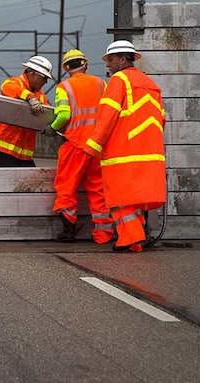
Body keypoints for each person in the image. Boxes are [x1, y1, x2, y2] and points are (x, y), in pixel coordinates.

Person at [84, 40, 166, 252]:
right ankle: (134, 240)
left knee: (120, 197)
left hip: (122, 153)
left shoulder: (119, 80)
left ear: (122, 60)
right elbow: (162, 119)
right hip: (149, 153)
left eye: (110, 60)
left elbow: (107, 117)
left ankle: (130, 236)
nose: (108, 65)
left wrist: (93, 146)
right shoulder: (150, 84)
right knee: (135, 198)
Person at [41, 49, 113, 243]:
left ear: (66, 68)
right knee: (98, 189)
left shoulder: (65, 87)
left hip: (75, 144)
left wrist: (52, 127)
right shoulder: (101, 84)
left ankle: (68, 231)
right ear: (85, 64)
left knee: (66, 186)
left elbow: (64, 114)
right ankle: (103, 234)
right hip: (98, 145)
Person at [0, 55, 52, 167]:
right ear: (32, 73)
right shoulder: (14, 83)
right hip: (3, 151)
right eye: (44, 78)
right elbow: (6, 87)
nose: (46, 82)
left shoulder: (41, 96)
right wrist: (30, 97)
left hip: (25, 155)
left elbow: (47, 115)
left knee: (32, 183)